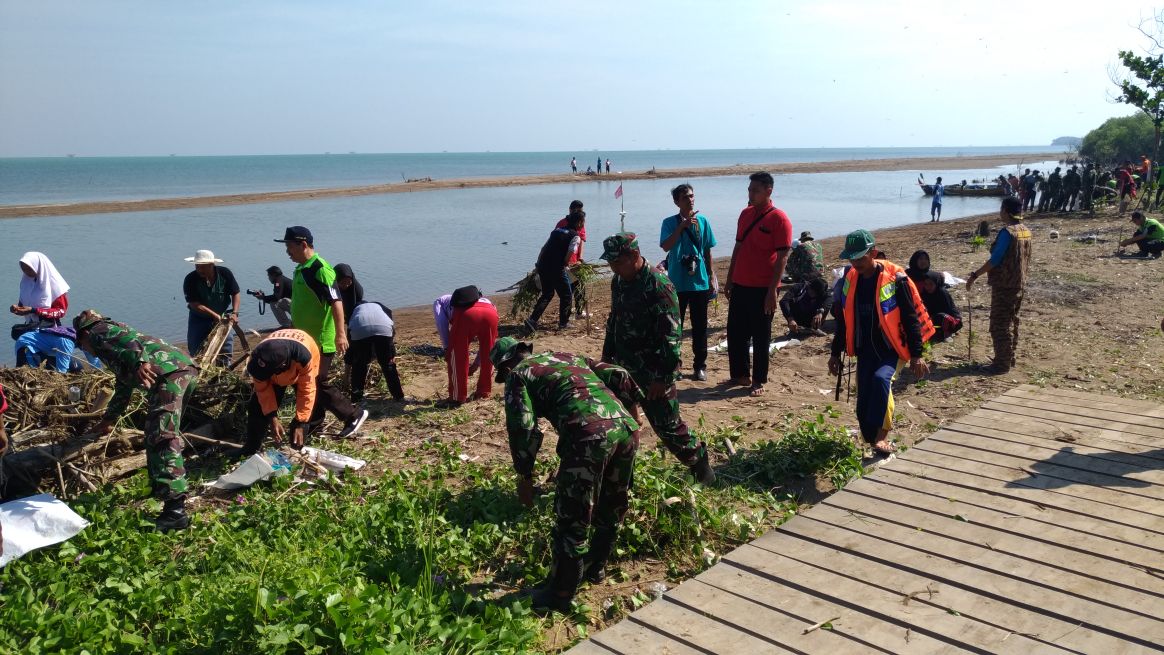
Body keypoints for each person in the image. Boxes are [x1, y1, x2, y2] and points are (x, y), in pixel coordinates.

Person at [491, 336, 643, 613]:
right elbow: (618, 374)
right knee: (611, 504)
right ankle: (595, 569)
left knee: (572, 517)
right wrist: (633, 411)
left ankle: (560, 592)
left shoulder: (518, 376)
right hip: (626, 429)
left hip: (588, 436)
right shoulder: (566, 356)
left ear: (505, 366)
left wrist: (524, 476)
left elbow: (523, 427)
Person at [599, 232, 714, 483]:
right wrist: (606, 357)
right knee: (617, 423)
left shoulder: (659, 285)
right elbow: (614, 320)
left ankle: (701, 465)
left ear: (635, 256)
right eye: (610, 263)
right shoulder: (618, 281)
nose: (613, 268)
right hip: (622, 367)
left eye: (617, 262)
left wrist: (662, 378)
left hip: (653, 372)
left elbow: (671, 338)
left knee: (668, 427)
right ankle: (619, 475)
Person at [73, 310, 198, 530]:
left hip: (168, 374)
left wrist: (141, 362)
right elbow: (123, 387)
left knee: (160, 436)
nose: (84, 350)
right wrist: (109, 420)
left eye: (81, 345)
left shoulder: (97, 330)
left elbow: (130, 342)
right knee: (166, 433)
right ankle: (172, 493)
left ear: (83, 336)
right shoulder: (113, 353)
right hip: (181, 369)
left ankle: (175, 511)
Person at [828, 231, 933, 456]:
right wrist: (835, 353)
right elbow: (844, 319)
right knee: (863, 402)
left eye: (860, 258)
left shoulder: (896, 278)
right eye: (852, 259)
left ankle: (883, 436)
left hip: (893, 348)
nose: (856, 263)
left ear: (873, 253)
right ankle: (871, 438)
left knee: (880, 381)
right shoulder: (851, 279)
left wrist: (917, 354)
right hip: (866, 349)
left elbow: (910, 317)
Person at [274, 226, 368, 437]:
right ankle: (313, 425)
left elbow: (336, 301)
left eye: (289, 246)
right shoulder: (301, 269)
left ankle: (353, 415)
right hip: (305, 340)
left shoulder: (319, 268)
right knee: (306, 382)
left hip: (322, 339)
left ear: (303, 244)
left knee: (317, 380)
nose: (287, 251)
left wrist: (341, 334)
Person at [723, 171, 793, 396]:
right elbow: (738, 247)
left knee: (761, 335)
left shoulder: (779, 218)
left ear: (768, 191)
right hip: (741, 283)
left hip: (763, 287)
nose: (751, 194)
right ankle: (740, 374)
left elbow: (783, 256)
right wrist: (730, 278)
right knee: (735, 332)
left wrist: (773, 290)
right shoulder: (745, 214)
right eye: (749, 190)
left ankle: (758, 380)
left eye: (755, 190)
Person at [967, 196, 1032, 374]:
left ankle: (1001, 364)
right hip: (1019, 283)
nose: (1000, 212)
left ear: (1005, 211)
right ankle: (1009, 358)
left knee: (999, 324)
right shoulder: (1025, 231)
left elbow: (995, 259)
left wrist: (975, 275)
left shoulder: (1007, 232)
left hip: (1005, 285)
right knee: (1012, 321)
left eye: (1001, 209)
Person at [230, 328, 319, 457]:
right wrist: (272, 417)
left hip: (302, 363)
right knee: (257, 407)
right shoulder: (258, 358)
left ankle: (295, 451)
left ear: (280, 368)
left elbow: (307, 392)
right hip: (277, 367)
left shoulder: (304, 358)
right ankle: (251, 448)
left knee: (304, 413)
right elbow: (262, 389)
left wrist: (301, 421)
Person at [659, 183, 718, 381]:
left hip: (699, 281)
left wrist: (711, 275)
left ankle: (700, 366)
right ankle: (675, 365)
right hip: (676, 282)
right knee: (674, 327)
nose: (690, 200)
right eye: (685, 197)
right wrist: (681, 227)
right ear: (677, 202)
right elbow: (665, 246)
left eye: (692, 196)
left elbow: (708, 250)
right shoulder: (669, 222)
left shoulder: (703, 221)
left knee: (700, 327)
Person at [525, 212, 583, 332]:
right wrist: (566, 264)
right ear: (579, 222)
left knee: (547, 293)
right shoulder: (575, 236)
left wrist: (537, 265)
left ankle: (532, 320)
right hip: (556, 268)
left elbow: (544, 248)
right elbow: (569, 254)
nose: (583, 224)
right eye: (583, 222)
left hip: (543, 265)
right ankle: (563, 323)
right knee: (566, 295)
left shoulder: (557, 231)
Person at [182, 249, 240, 366]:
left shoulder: (225, 274)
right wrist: (214, 315)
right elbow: (195, 304)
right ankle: (198, 373)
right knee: (196, 349)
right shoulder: (190, 279)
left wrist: (234, 313)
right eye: (197, 266)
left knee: (225, 348)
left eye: (203, 267)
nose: (200, 270)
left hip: (222, 316)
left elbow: (235, 293)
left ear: (212, 265)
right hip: (199, 318)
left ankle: (223, 372)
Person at [445, 285, 499, 405]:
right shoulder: (487, 301)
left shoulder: (442, 304)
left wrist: (448, 349)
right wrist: (476, 364)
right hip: (491, 313)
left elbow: (443, 328)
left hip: (466, 316)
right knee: (489, 353)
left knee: (458, 355)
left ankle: (458, 397)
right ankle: (484, 392)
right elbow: (485, 351)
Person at [347, 301, 405, 403]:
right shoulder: (380, 306)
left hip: (359, 330)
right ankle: (398, 396)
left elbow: (351, 346)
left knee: (359, 365)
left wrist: (346, 372)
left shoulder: (353, 310)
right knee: (388, 365)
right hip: (383, 328)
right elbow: (391, 329)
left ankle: (356, 398)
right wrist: (391, 354)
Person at [11, 252, 69, 336]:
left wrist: (34, 310)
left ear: (37, 267)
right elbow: (23, 305)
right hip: (31, 327)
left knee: (23, 342)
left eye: (29, 269)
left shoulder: (55, 286)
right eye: (24, 269)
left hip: (50, 329)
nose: (26, 272)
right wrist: (17, 308)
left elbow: (60, 311)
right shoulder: (26, 283)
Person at [15, 325, 100, 373]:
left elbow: (95, 362)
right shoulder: (67, 342)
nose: (89, 349)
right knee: (37, 371)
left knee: (77, 367)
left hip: (45, 350)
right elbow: (61, 371)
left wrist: (100, 374)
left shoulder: (85, 340)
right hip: (27, 344)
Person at [556, 201, 589, 317]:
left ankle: (579, 311)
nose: (579, 214)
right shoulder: (561, 224)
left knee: (580, 286)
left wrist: (580, 258)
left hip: (576, 262)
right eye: (577, 211)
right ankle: (567, 315)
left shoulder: (581, 224)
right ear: (570, 210)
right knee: (568, 290)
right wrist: (565, 262)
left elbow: (581, 242)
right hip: (565, 263)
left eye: (580, 211)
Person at [919, 271, 962, 342]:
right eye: (926, 284)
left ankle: (945, 333)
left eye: (931, 284)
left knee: (941, 317)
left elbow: (948, 311)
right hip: (932, 319)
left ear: (936, 283)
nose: (928, 287)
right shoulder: (924, 293)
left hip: (950, 319)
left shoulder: (942, 293)